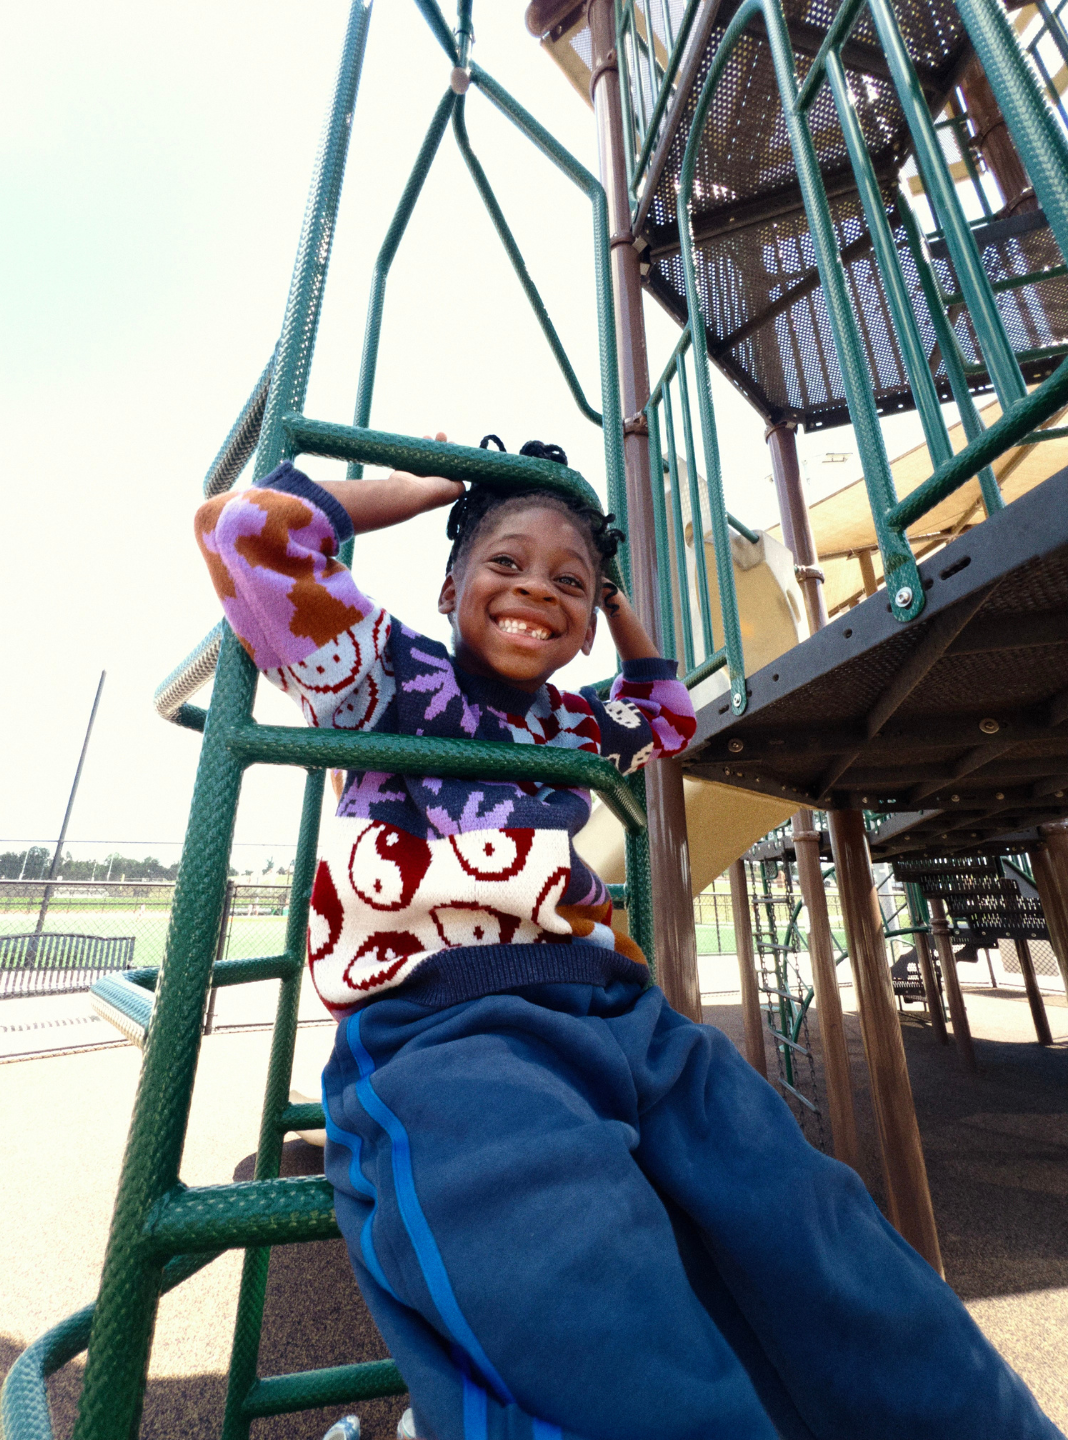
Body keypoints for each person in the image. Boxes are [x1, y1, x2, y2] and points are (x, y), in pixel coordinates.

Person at [196, 438, 1061, 1440]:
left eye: (567, 582)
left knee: (817, 1234)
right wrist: (450, 487)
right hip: (451, 1023)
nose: (536, 591)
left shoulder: (565, 723)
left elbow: (666, 711)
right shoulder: (381, 677)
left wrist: (608, 596)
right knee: (586, 1289)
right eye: (505, 564)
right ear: (447, 588)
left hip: (623, 1015)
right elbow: (246, 531)